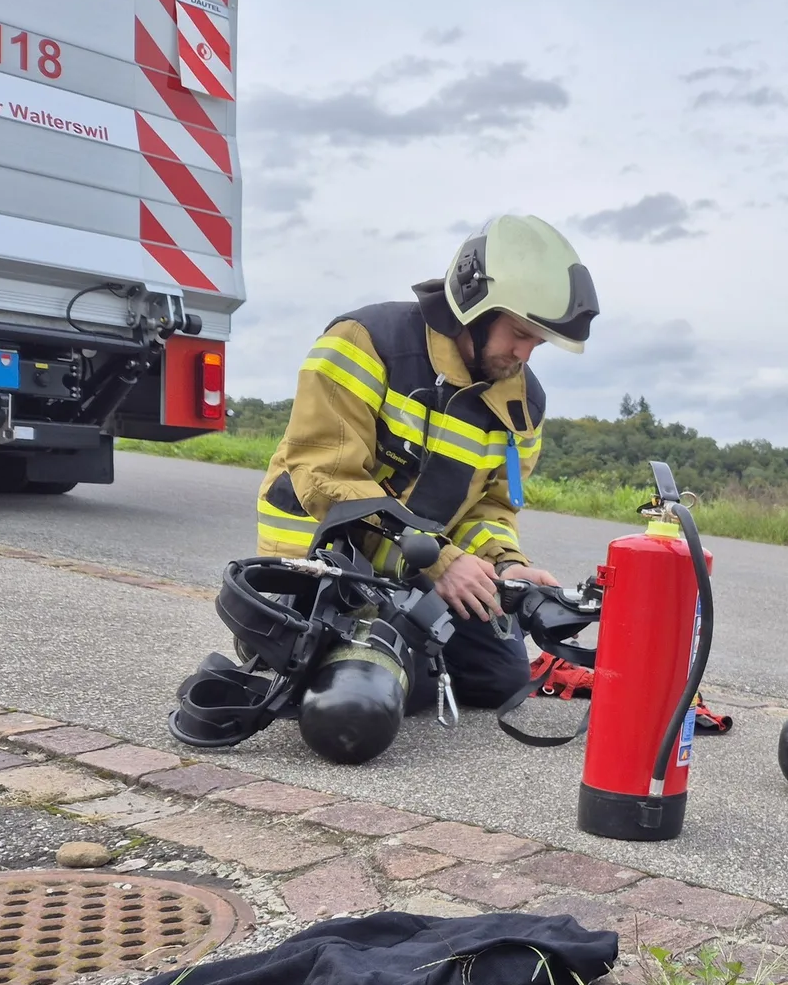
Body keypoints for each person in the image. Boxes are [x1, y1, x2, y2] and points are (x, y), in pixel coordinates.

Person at [254, 213, 597, 711]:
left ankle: (379, 652)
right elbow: (326, 478)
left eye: (538, 342)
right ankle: (289, 641)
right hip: (315, 565)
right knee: (353, 707)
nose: (524, 354)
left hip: (415, 567)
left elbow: (490, 510)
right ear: (473, 305)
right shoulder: (364, 341)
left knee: (501, 680)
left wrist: (508, 568)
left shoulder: (523, 403)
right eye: (520, 333)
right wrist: (440, 561)